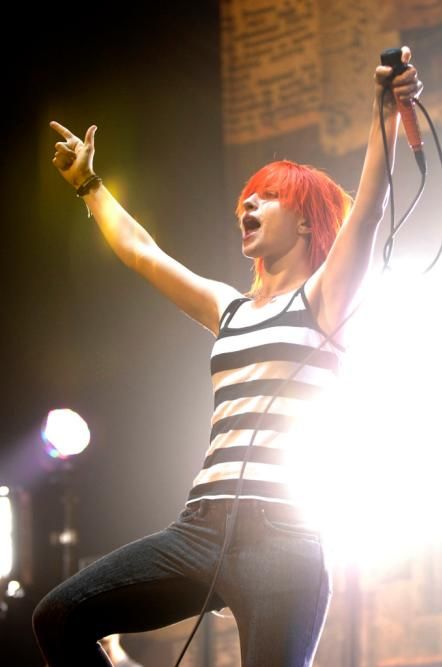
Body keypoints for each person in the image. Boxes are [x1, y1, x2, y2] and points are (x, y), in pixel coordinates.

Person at [33, 48, 421, 666]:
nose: (248, 206)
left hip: (283, 539)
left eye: (267, 197)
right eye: (246, 198)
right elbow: (142, 252)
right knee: (59, 616)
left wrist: (385, 111)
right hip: (200, 529)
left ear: (304, 222)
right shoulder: (229, 307)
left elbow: (369, 209)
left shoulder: (325, 298)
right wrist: (88, 184)